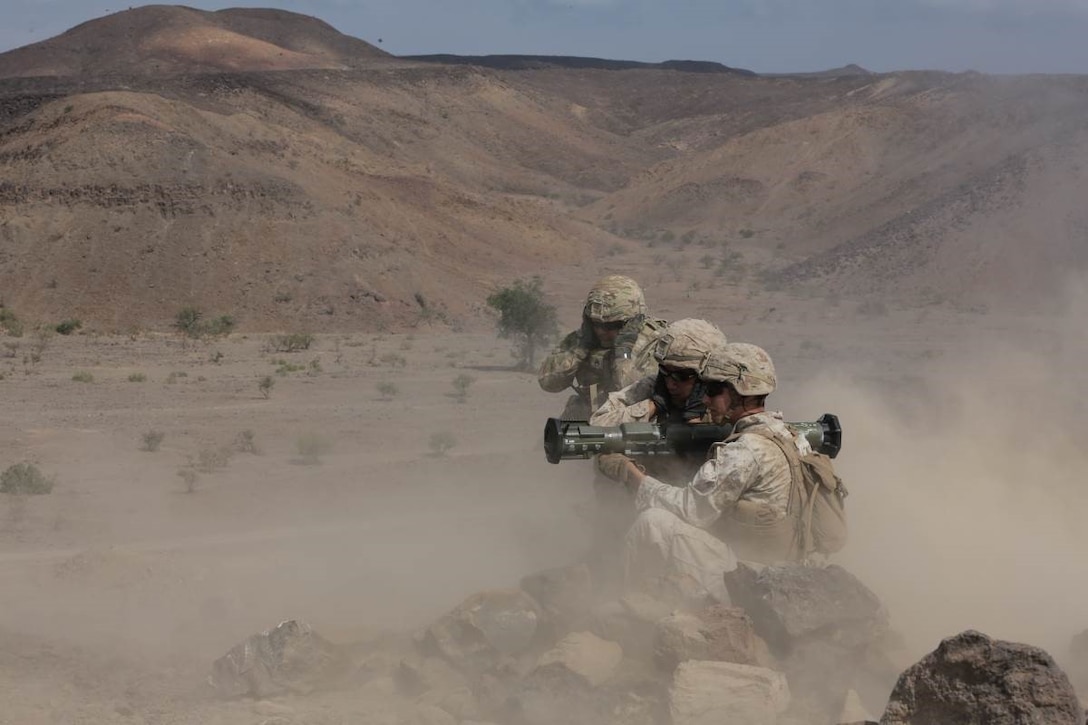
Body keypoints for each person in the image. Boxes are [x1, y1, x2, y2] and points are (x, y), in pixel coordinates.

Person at [597, 342, 815, 605]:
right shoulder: (790, 435)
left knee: (652, 522)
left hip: (752, 578)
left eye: (713, 390)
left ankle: (620, 608)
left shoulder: (745, 451)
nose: (705, 400)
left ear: (742, 393)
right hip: (786, 567)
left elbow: (691, 510)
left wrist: (630, 473)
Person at [538, 275, 666, 420]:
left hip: (631, 426)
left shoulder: (655, 345)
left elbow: (636, 396)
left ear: (633, 322)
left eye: (611, 326)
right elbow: (548, 383)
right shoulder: (583, 339)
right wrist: (580, 349)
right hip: (585, 422)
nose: (600, 331)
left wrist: (623, 354)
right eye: (595, 323)